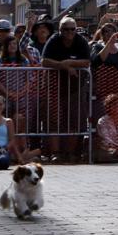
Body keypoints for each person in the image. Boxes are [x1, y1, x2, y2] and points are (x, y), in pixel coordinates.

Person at [40, 17, 92, 161]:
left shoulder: (81, 41)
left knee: (75, 120)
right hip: (54, 88)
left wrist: (69, 62)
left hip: (76, 88)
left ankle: (70, 153)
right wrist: (64, 66)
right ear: (60, 30)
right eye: (66, 29)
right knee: (53, 120)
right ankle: (56, 153)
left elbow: (86, 61)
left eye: (72, 29)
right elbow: (44, 61)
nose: (69, 32)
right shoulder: (53, 40)